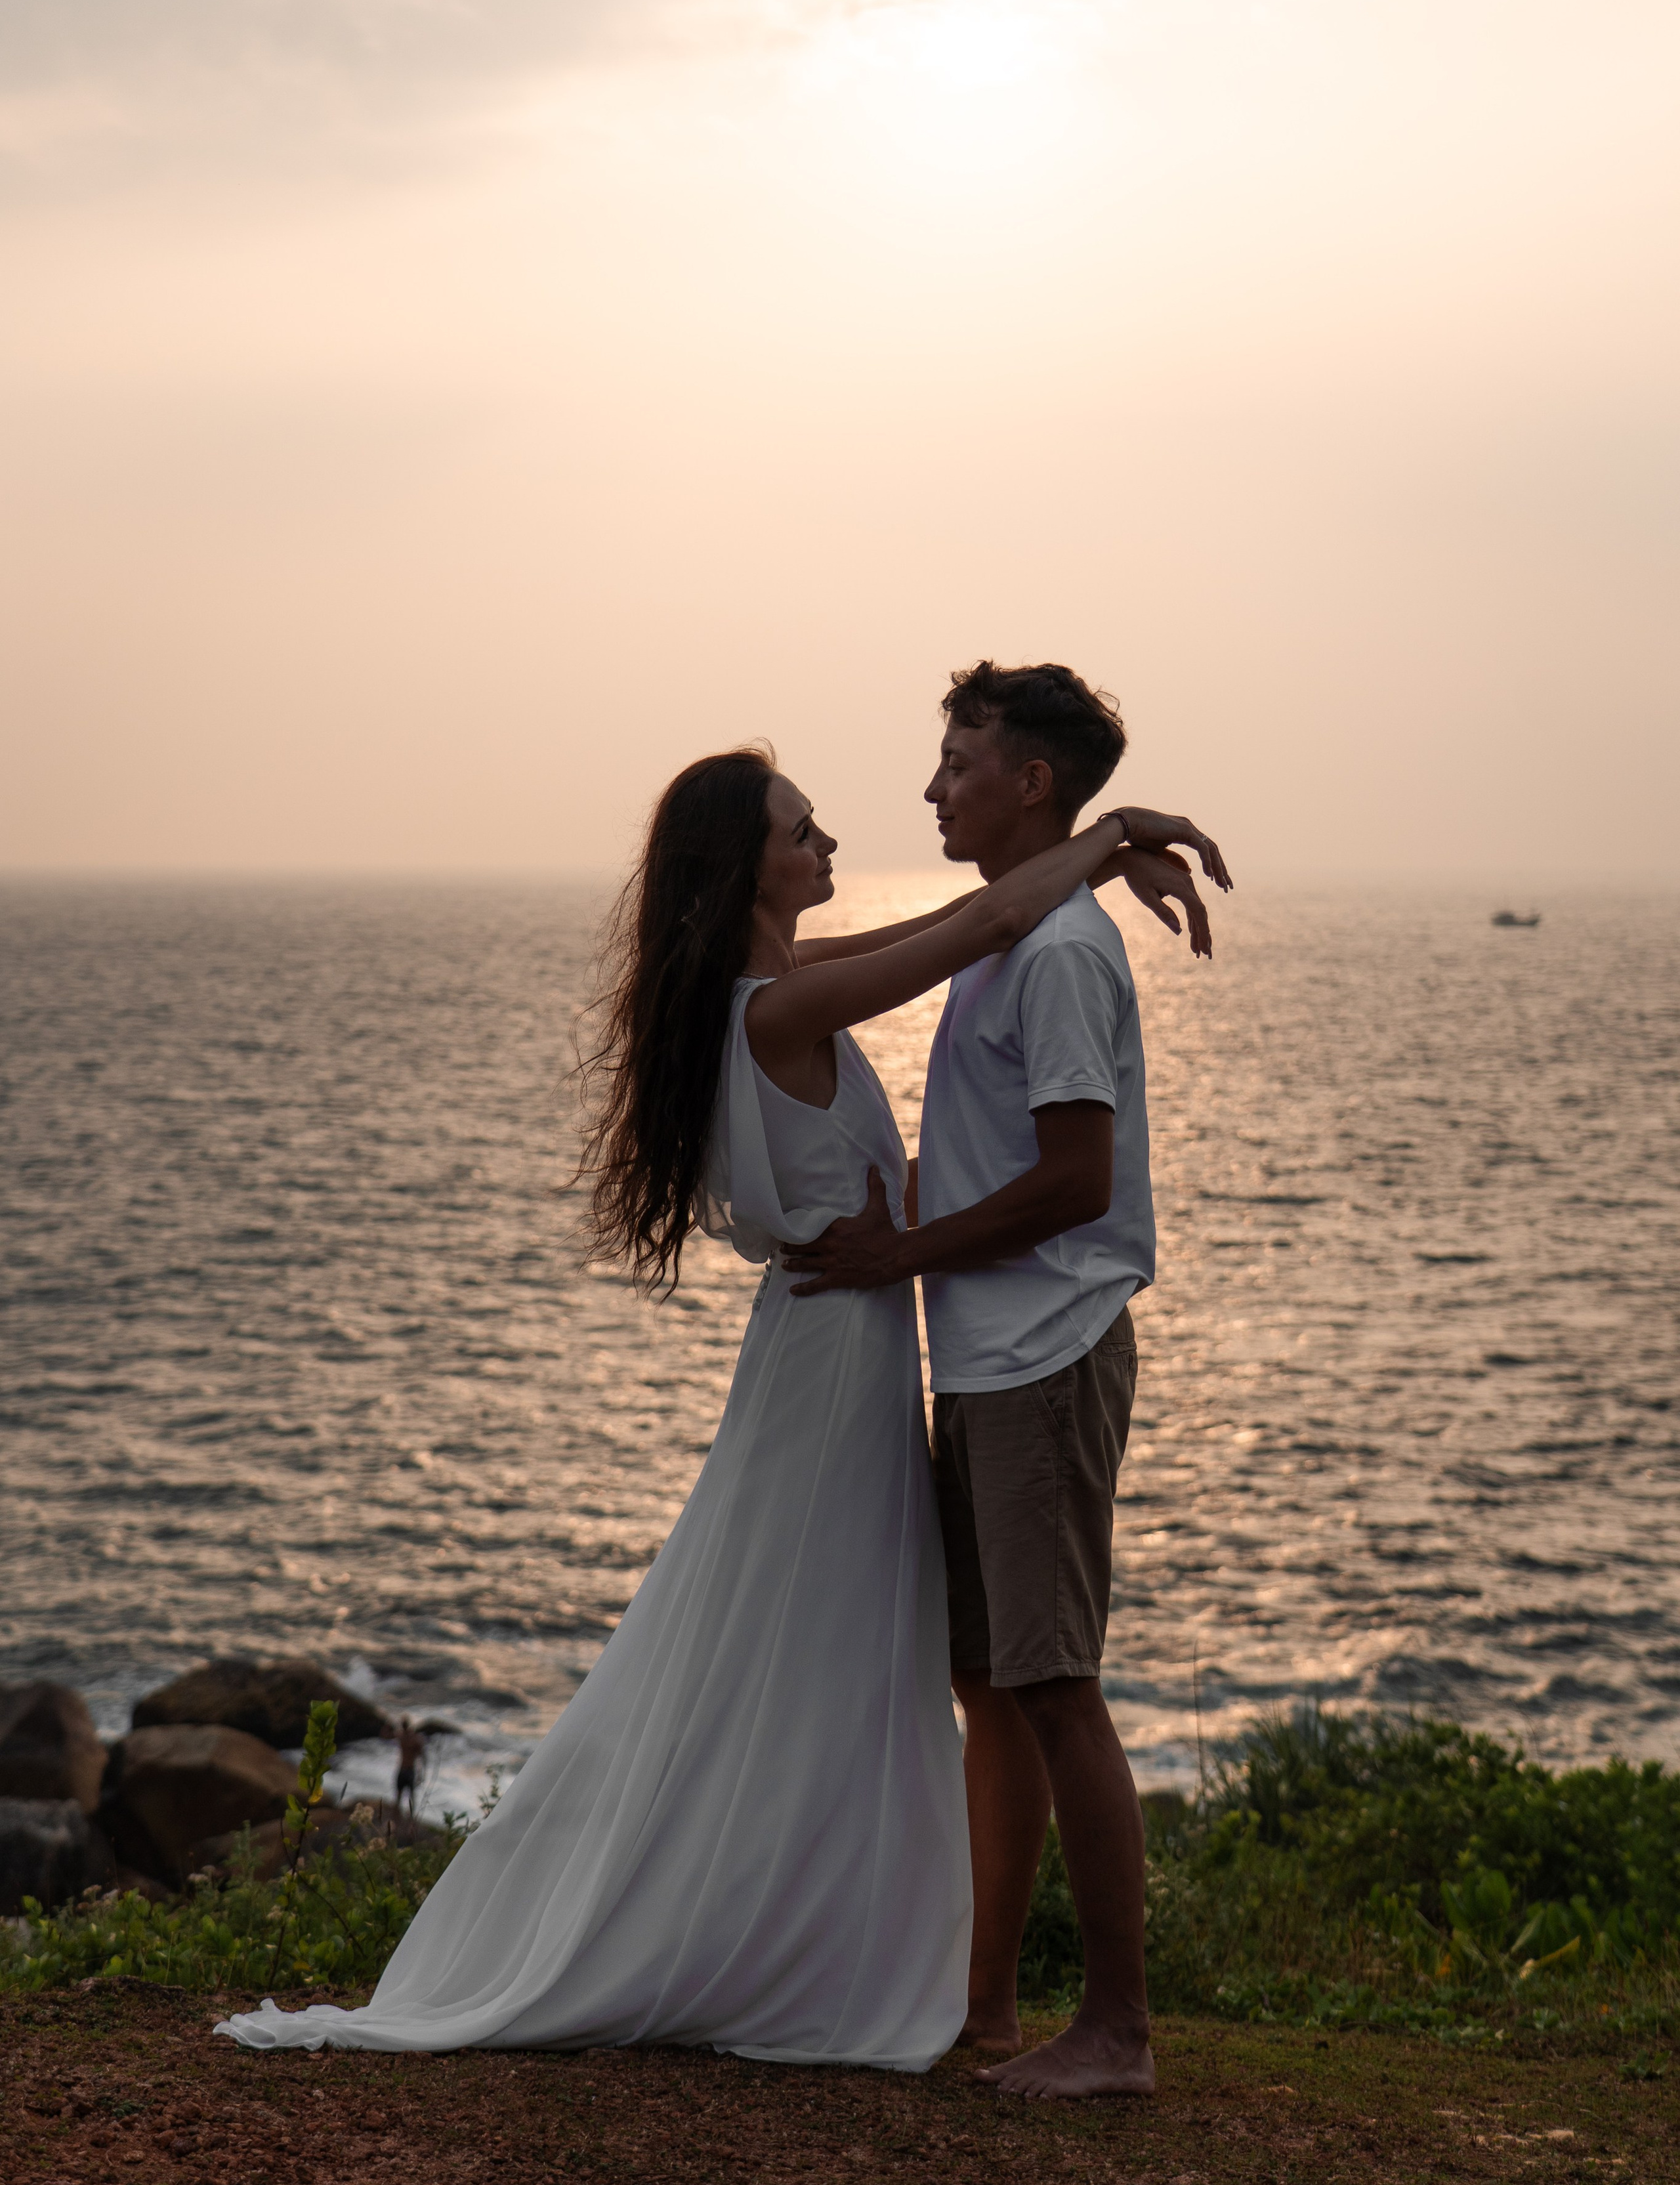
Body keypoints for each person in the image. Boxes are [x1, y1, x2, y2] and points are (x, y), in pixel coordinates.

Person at [215, 742, 1211, 2068]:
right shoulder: (768, 1011)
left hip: (837, 1345)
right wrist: (1110, 836)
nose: (831, 845)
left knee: (814, 1651)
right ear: (742, 868)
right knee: (801, 1646)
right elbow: (973, 924)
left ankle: (858, 1950)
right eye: (802, 833)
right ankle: (798, 1946)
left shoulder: (775, 988)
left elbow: (947, 922)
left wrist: (1077, 857)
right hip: (839, 1350)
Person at [786, 661, 1230, 2100]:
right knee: (993, 1680)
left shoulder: (1051, 956)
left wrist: (897, 1250)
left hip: (1041, 1352)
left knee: (1052, 1687)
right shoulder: (1008, 936)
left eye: (956, 759)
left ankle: (1116, 2030)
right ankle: (984, 2006)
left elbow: (1074, 1180)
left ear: (1027, 781)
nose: (931, 788)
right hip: (985, 1356)